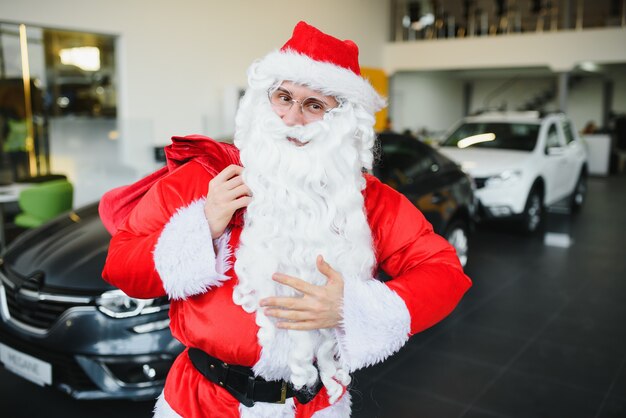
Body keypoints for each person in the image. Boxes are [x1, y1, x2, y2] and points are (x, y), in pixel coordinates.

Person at [102, 21, 471, 418]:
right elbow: (121, 267)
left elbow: (443, 271)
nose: (292, 118)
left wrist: (353, 307)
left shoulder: (372, 202)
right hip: (200, 403)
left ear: (344, 119)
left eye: (314, 105)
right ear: (265, 101)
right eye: (283, 97)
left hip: (311, 407)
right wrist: (204, 223)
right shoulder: (207, 181)